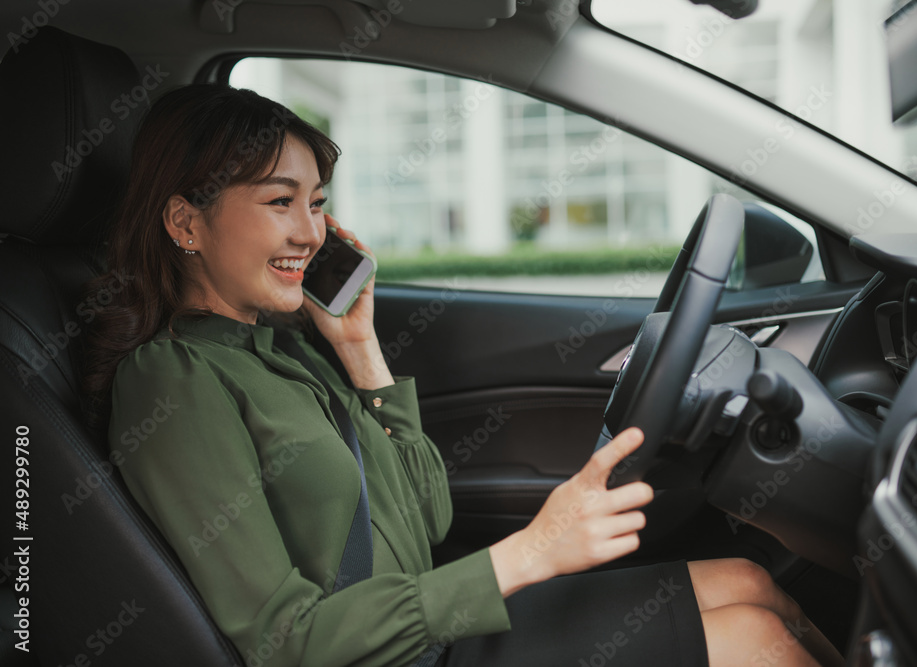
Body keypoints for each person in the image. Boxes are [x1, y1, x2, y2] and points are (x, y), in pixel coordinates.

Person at [82, 84, 843, 667]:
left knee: (751, 581)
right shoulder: (172, 381)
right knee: (753, 639)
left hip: (432, 625)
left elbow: (429, 517)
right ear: (184, 223)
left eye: (316, 203)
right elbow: (287, 641)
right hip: (396, 651)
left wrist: (359, 349)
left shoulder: (281, 349)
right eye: (280, 202)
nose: (311, 233)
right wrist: (532, 551)